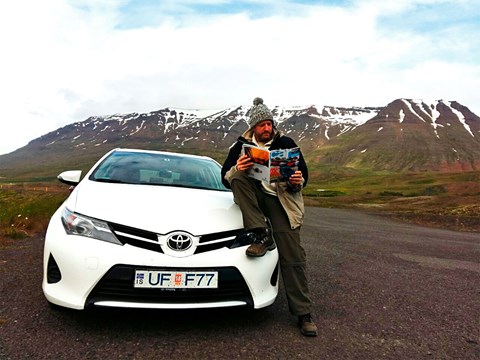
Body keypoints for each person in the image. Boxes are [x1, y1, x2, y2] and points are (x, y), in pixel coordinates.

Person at [221, 97, 318, 337]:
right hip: (254, 201)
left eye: (269, 124)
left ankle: (303, 313)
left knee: (292, 254)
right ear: (253, 126)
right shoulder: (240, 146)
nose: (267, 128)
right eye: (262, 124)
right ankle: (261, 233)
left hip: (281, 201)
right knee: (238, 176)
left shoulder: (286, 142)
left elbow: (302, 174)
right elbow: (225, 178)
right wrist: (238, 168)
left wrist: (298, 182)